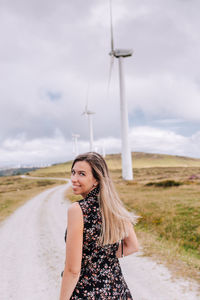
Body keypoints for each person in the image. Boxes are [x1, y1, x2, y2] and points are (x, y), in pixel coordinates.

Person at [59, 152, 139, 300]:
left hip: (86, 292)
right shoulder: (113, 206)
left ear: (96, 179)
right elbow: (132, 246)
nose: (73, 179)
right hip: (117, 290)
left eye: (81, 174)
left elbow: (73, 270)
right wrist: (102, 260)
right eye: (73, 172)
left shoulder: (78, 210)